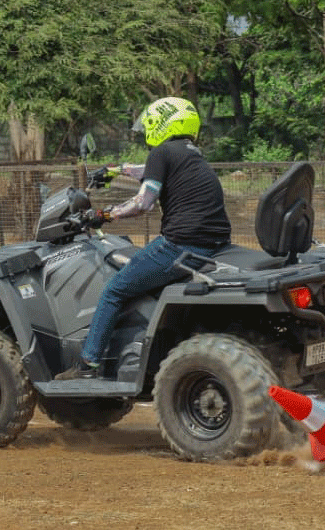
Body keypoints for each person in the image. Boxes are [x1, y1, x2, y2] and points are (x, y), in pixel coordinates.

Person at [56, 97, 230, 380]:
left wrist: (103, 215)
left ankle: (88, 364)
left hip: (178, 245)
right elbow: (150, 172)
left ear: (160, 124)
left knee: (114, 290)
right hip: (210, 244)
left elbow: (143, 202)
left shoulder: (162, 152)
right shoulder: (189, 153)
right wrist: (115, 171)